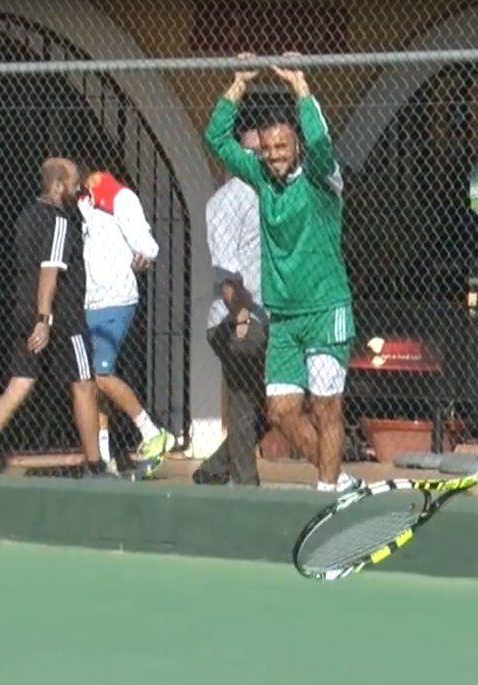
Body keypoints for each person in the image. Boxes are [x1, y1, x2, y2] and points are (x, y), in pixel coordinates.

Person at [204, 53, 361, 493]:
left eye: (282, 148)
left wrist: (300, 86)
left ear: (296, 149)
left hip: (326, 310)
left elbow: (322, 142)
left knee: (326, 408)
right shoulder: (259, 177)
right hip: (284, 318)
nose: (273, 156)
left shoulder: (321, 180)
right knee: (280, 411)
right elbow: (216, 138)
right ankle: (336, 475)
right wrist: (238, 83)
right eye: (268, 149)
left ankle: (328, 493)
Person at [0, 158, 108, 478]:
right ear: (57, 184)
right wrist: (45, 319)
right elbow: (49, 272)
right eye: (72, 183)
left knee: (20, 383)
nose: (77, 187)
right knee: (83, 383)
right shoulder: (58, 220)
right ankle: (95, 464)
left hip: (24, 311)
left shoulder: (26, 216)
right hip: (61, 318)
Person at [78, 168, 175, 477]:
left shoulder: (120, 198)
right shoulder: (84, 203)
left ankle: (152, 433)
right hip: (91, 300)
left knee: (103, 376)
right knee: (93, 382)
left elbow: (147, 244)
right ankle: (103, 455)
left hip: (115, 299)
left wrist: (143, 253)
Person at [193, 126, 267, 486]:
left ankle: (217, 468)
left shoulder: (271, 194)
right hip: (236, 317)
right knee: (245, 398)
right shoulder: (226, 200)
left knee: (269, 404)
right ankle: (244, 482)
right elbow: (227, 274)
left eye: (264, 151)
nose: (260, 158)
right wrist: (241, 316)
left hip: (267, 315)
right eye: (251, 152)